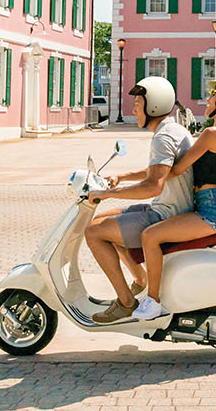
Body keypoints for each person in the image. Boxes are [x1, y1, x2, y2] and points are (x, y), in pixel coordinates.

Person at [128, 76, 216, 321]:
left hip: (212, 209)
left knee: (150, 236)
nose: (208, 99)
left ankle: (153, 301)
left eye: (214, 95)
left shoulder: (212, 133)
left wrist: (161, 162)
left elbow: (177, 169)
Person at [83, 75, 194, 324]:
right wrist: (122, 176)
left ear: (153, 106)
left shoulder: (163, 137)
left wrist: (108, 194)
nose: (133, 108)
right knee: (102, 220)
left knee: (93, 232)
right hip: (166, 207)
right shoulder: (171, 130)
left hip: (166, 214)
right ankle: (140, 281)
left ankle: (125, 303)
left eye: (138, 103)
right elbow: (158, 170)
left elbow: (154, 185)